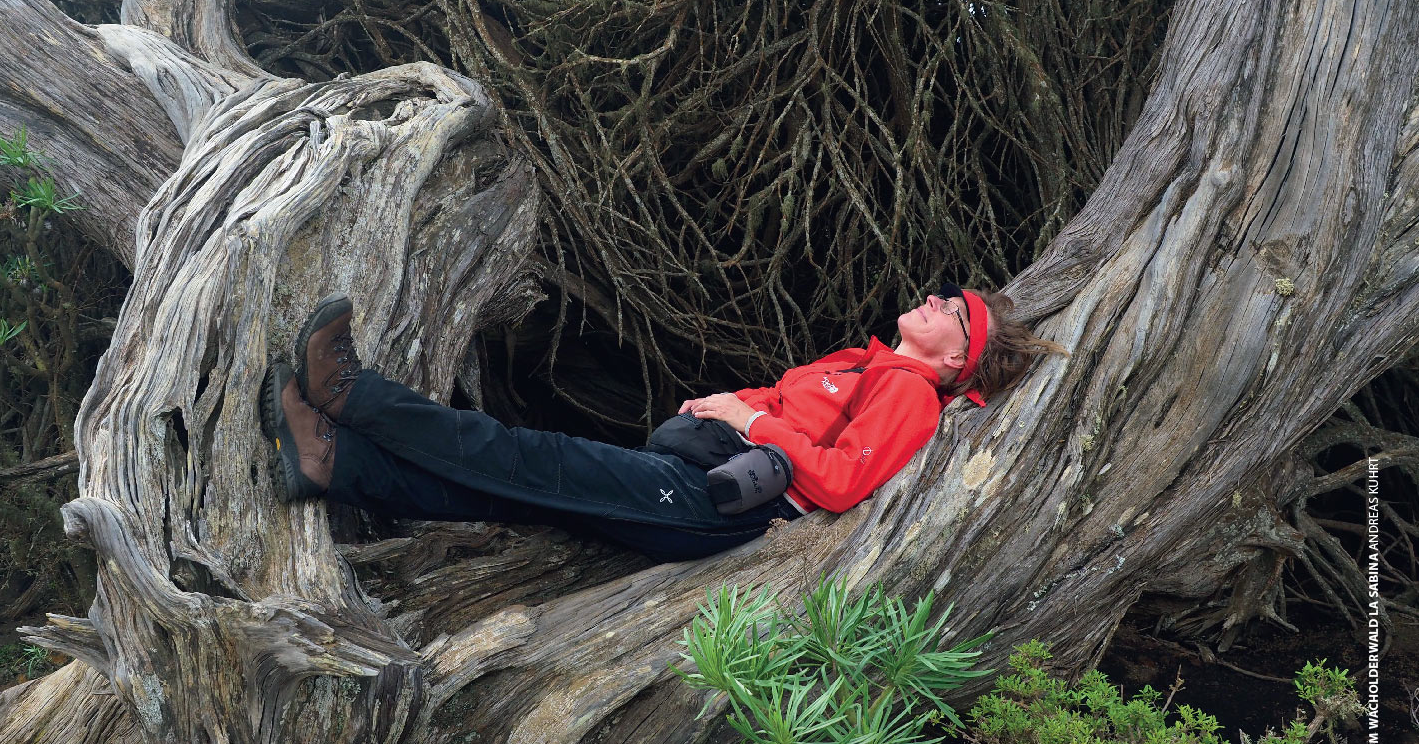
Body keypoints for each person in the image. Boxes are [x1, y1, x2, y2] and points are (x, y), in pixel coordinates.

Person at [259, 287, 1060, 562]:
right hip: (698, 482)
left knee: (526, 455)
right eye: (941, 297)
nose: (933, 301)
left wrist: (749, 418)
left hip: (719, 509)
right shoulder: (871, 364)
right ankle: (335, 464)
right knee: (521, 493)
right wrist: (725, 405)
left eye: (950, 313)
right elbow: (784, 405)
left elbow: (845, 478)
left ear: (958, 359)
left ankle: (351, 396)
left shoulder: (915, 394)